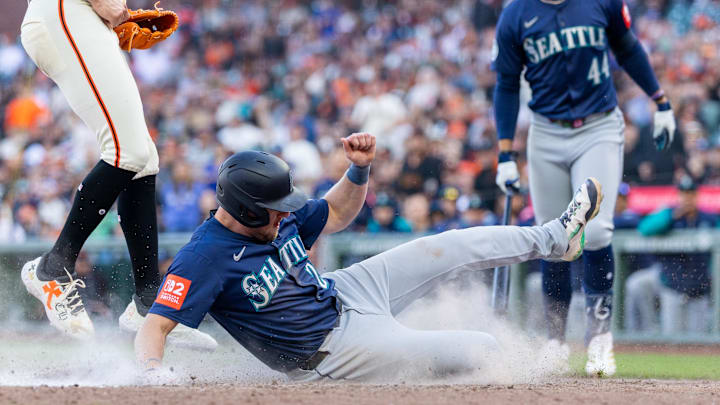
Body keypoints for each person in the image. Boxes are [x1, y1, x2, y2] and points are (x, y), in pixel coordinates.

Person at [135, 132, 604, 381]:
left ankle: (554, 238)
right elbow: (156, 324)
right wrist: (153, 374)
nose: (285, 216)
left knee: (451, 245)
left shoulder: (277, 214)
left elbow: (337, 211)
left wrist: (358, 171)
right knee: (484, 349)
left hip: (346, 289)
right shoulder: (203, 257)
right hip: (334, 353)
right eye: (276, 210)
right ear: (244, 209)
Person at [492, 0, 677, 376]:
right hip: (545, 132)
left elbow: (627, 48)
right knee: (553, 238)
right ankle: (556, 341)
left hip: (598, 126)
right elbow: (507, 84)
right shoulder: (515, 14)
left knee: (593, 230)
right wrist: (505, 153)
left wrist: (660, 100)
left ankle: (599, 338)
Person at [18, 0, 215, 348]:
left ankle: (146, 300)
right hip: (67, 8)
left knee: (144, 157)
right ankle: (52, 268)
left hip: (79, 16)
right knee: (128, 151)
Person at [625, 176, 716, 334]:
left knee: (698, 344)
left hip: (699, 289)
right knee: (671, 343)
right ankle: (645, 333)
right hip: (672, 286)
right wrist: (673, 216)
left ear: (696, 196)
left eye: (691, 194)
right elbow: (644, 229)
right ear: (679, 195)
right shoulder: (669, 215)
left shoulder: (706, 218)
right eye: (684, 194)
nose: (687, 198)